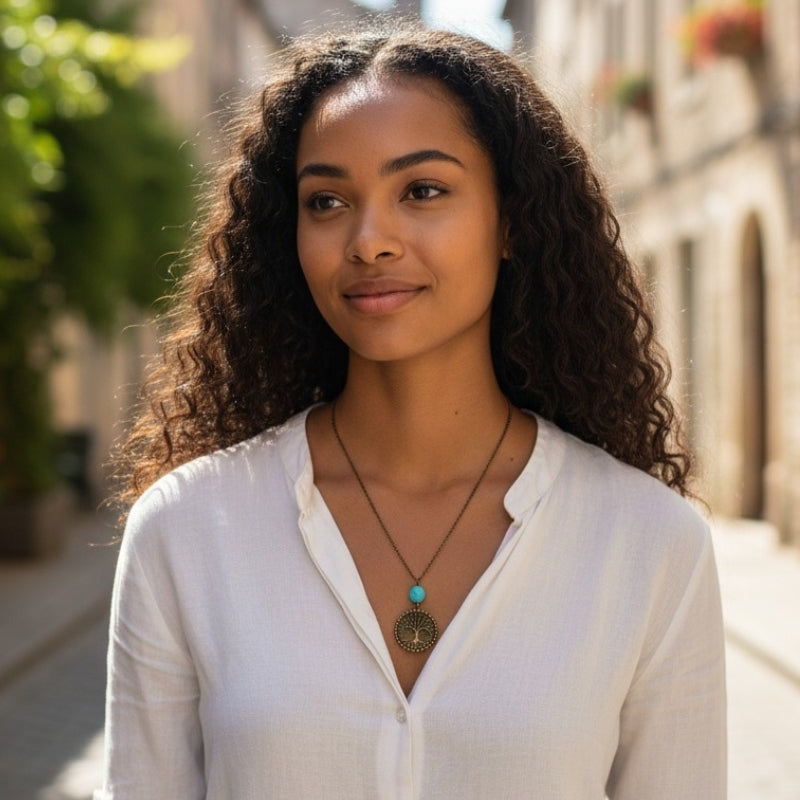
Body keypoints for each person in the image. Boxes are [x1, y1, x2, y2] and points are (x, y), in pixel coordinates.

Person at [96, 19, 726, 800]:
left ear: (512, 222)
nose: (369, 240)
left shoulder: (649, 543)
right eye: (326, 201)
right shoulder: (188, 529)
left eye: (422, 190)